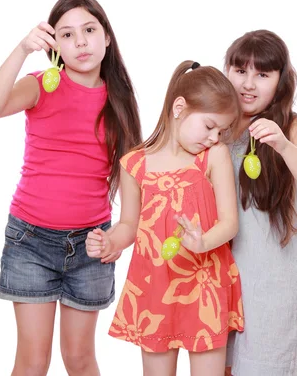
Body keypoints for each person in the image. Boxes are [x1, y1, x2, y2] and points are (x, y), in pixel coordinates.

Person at [0, 0, 141, 376]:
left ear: (107, 38)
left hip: (90, 246)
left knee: (80, 359)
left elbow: (133, 186)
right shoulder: (40, 86)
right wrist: (22, 49)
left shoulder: (119, 101)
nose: (81, 42)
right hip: (30, 241)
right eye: (67, 34)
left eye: (89, 30)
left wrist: (117, 239)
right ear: (54, 45)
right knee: (34, 361)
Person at [86, 60, 245, 376]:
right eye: (210, 126)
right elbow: (129, 225)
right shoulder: (135, 164)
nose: (215, 137)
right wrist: (109, 241)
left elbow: (229, 223)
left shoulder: (213, 157)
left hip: (205, 284)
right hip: (155, 285)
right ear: (179, 108)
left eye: (222, 130)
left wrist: (203, 243)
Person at [223, 30, 297, 376]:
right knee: (219, 365)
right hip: (219, 273)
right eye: (240, 71)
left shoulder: (292, 127)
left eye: (262, 74)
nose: (248, 84)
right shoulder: (217, 124)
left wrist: (283, 145)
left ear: (280, 80)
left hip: (270, 280)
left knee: (263, 366)